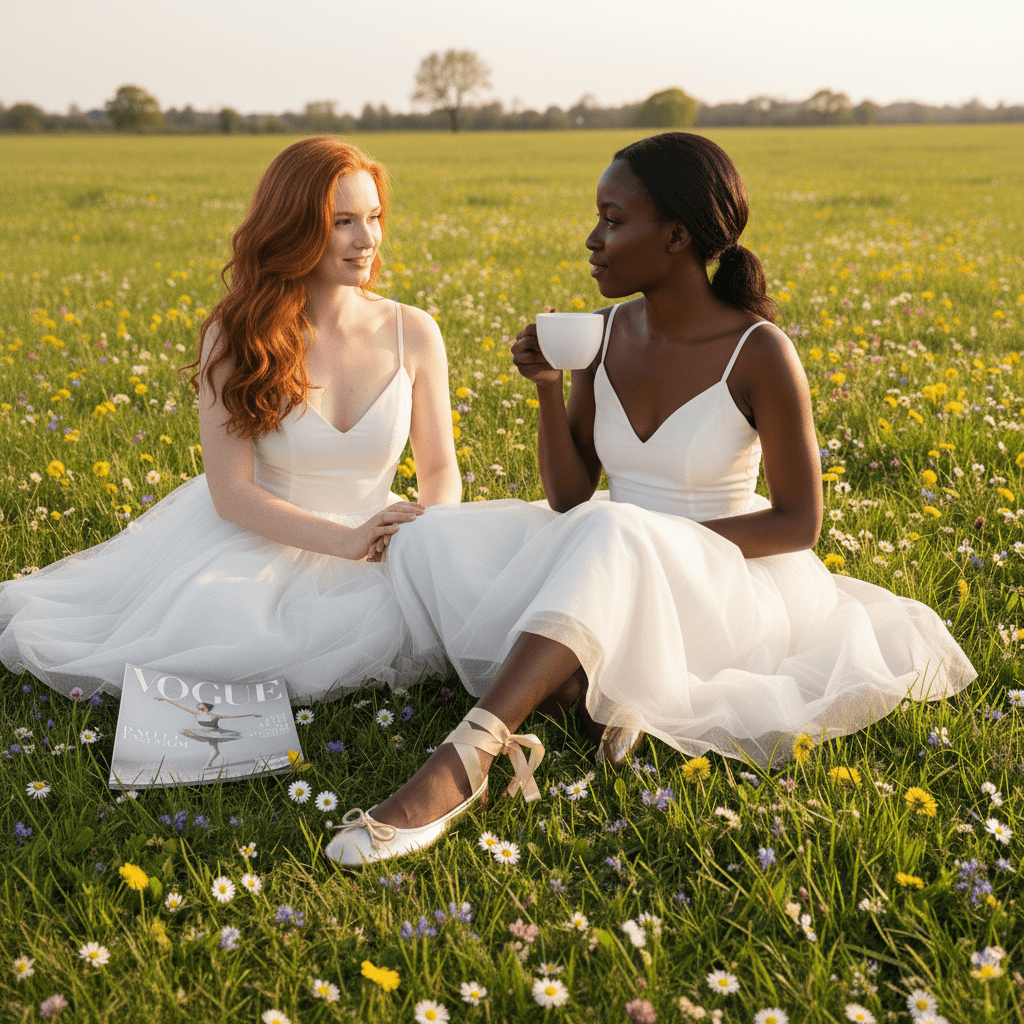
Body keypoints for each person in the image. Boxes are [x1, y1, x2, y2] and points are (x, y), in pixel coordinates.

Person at [326, 132, 976, 865]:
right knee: (432, 534)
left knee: (620, 534)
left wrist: (668, 546)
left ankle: (468, 758)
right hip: (611, 549)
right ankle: (588, 695)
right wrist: (547, 387)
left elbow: (800, 522)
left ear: (675, 236)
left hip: (728, 585)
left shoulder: (759, 351)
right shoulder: (599, 336)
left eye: (613, 219)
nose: (592, 240)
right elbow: (572, 497)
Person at [0, 136, 461, 703]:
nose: (367, 240)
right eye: (343, 222)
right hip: (259, 541)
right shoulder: (237, 335)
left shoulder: (413, 330)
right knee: (239, 647)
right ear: (295, 227)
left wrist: (428, 542)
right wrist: (348, 541)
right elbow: (233, 494)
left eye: (374, 217)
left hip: (387, 543)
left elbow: (439, 468)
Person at [154, 698, 262, 770]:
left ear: (204, 707)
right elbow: (180, 706)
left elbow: (234, 716)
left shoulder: (214, 715)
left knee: (214, 749)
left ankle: (208, 763)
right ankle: (209, 762)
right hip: (205, 732)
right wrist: (165, 699)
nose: (198, 705)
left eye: (201, 704)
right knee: (214, 749)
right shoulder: (196, 713)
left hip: (215, 732)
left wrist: (252, 714)